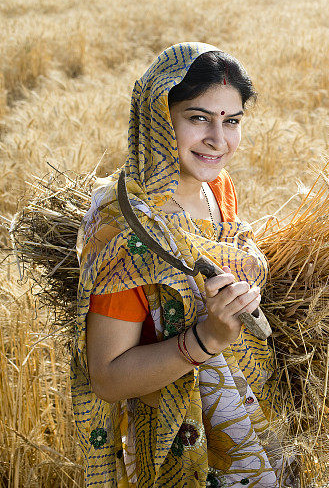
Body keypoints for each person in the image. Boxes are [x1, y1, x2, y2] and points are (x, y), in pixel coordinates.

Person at [72, 42, 293, 487]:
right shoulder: (123, 230)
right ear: (156, 120)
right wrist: (207, 337)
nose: (218, 139)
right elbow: (108, 378)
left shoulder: (219, 188)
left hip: (256, 417)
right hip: (180, 441)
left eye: (232, 121)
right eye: (198, 118)